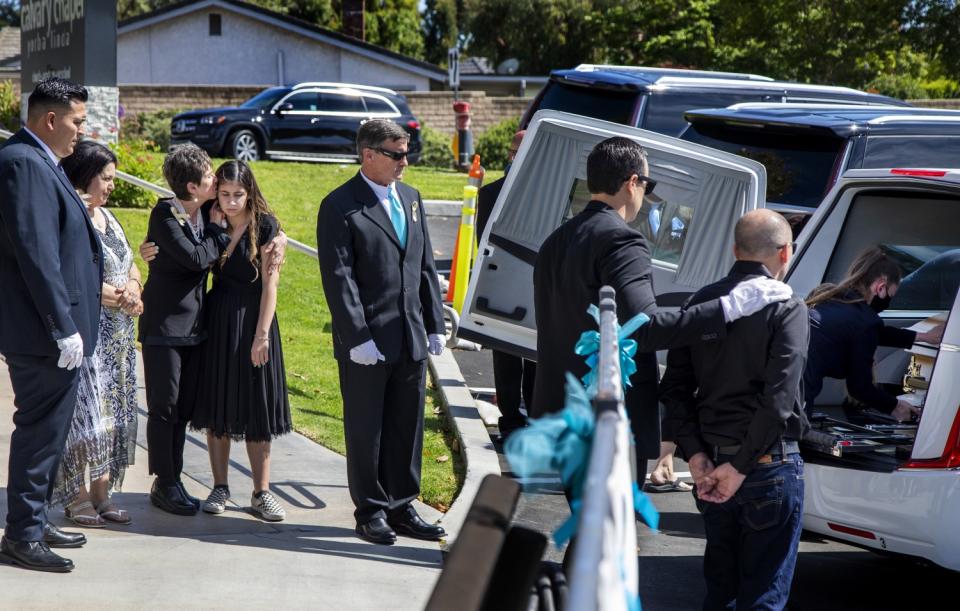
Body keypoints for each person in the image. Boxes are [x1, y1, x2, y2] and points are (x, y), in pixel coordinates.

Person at [532, 137, 792, 479]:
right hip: (607, 416)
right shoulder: (622, 240)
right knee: (610, 527)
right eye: (647, 184)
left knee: (587, 525)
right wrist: (727, 308)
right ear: (632, 182)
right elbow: (645, 328)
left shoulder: (557, 239)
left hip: (559, 406)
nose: (645, 193)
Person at [660, 209, 808, 611]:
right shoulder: (789, 308)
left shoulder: (702, 302)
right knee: (763, 595)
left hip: (711, 464)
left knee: (720, 589)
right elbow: (778, 402)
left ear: (734, 249)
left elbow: (674, 388)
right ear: (784, 253)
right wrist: (740, 467)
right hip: (767, 467)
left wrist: (696, 455)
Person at [318, 119, 447, 545]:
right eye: (395, 154)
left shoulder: (411, 198)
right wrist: (357, 337)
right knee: (366, 429)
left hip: (409, 335)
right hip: (368, 343)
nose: (404, 162)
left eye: (406, 152)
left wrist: (434, 324)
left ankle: (402, 504)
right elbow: (340, 279)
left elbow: (424, 266)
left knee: (405, 428)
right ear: (368, 154)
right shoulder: (340, 205)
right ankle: (371, 510)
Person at [0, 77, 99, 572]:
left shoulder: (41, 160)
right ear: (51, 119)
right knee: (40, 433)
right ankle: (21, 535)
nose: (83, 131)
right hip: (42, 333)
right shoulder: (23, 163)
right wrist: (62, 326)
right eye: (78, 122)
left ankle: (33, 519)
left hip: (51, 331)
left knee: (52, 432)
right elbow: (35, 252)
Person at [191, 160, 291, 521]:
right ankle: (219, 486)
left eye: (238, 195)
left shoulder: (266, 227)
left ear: (250, 193)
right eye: (225, 194)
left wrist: (261, 335)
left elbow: (271, 287)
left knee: (256, 406)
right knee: (218, 404)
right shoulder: (208, 217)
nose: (231, 202)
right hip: (218, 320)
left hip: (254, 319)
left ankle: (261, 493)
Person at [53, 141, 142, 527]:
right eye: (106, 178)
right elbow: (68, 275)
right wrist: (112, 296)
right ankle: (77, 497)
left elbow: (131, 264)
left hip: (120, 338)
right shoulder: (73, 217)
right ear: (86, 174)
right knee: (85, 415)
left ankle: (104, 494)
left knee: (112, 415)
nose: (111, 186)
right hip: (90, 332)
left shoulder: (110, 217)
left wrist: (135, 289)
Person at [139, 144, 231, 516]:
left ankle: (173, 478)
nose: (216, 180)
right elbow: (196, 259)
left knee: (182, 408)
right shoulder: (165, 214)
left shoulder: (207, 210)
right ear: (192, 186)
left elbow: (248, 208)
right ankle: (164, 482)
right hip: (164, 327)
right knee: (165, 407)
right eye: (209, 176)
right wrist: (216, 234)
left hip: (194, 327)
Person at [803, 247, 944, 423]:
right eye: (892, 294)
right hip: (792, 401)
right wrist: (895, 406)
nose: (889, 300)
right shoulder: (864, 322)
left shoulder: (829, 300)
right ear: (881, 287)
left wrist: (923, 337)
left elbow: (873, 332)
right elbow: (860, 387)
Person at [476, 130, 536, 439]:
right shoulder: (490, 194)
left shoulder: (546, 194)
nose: (515, 157)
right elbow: (484, 247)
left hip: (539, 285)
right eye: (514, 151)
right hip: (503, 284)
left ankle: (536, 417)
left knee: (538, 357)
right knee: (506, 356)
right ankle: (510, 420)